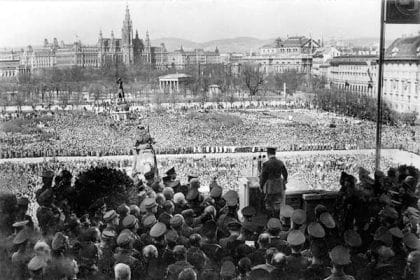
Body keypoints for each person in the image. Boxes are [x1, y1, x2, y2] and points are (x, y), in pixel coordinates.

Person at [259, 147, 288, 218]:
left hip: (270, 187)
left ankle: (270, 221)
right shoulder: (280, 162)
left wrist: (261, 186)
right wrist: (284, 181)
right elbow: (285, 173)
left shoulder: (266, 164)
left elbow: (263, 177)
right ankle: (276, 220)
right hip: (279, 186)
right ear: (275, 153)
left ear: (268, 154)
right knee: (277, 204)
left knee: (269, 204)